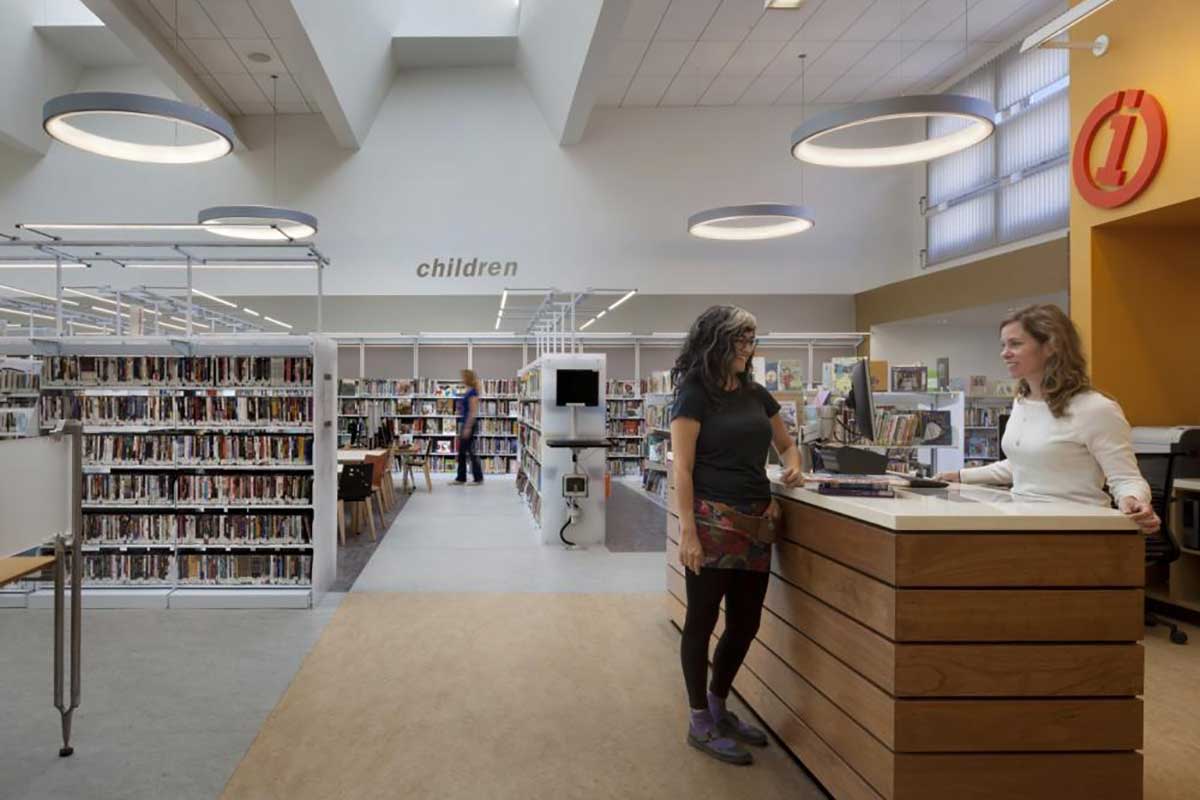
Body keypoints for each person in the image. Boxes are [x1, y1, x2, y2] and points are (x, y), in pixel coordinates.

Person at [670, 305, 803, 766]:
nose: (750, 349)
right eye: (742, 340)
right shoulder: (694, 395)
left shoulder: (756, 394)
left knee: (746, 622)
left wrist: (794, 465)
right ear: (718, 342)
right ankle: (698, 720)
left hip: (756, 521)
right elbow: (682, 468)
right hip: (709, 520)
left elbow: (786, 443)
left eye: (753, 340)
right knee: (702, 620)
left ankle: (719, 703)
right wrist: (687, 530)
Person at [935, 304, 1160, 533]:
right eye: (1003, 345)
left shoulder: (1096, 409)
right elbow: (1023, 465)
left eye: (1016, 344)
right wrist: (961, 476)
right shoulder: (1022, 401)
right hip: (1022, 522)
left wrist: (1132, 499)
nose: (1005, 353)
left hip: (1075, 531)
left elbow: (1126, 478)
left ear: (1051, 346)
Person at [452, 369, 483, 485]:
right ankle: (461, 477)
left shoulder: (473, 392)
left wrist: (468, 427)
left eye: (464, 377)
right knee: (463, 452)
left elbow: (473, 411)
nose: (462, 379)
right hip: (465, 424)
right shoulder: (469, 391)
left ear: (468, 378)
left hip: (468, 425)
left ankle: (477, 478)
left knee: (470, 452)